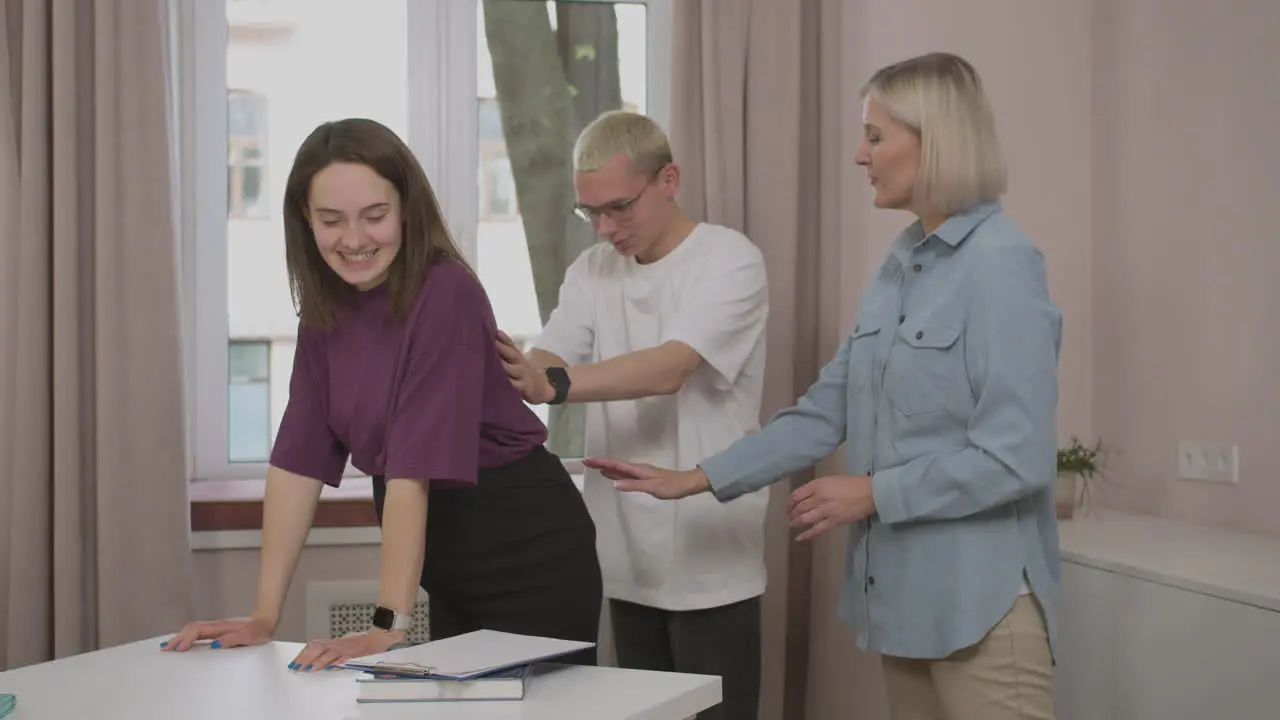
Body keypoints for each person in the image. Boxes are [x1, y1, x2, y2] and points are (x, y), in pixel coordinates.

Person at [587, 53, 1062, 720]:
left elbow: (1018, 455)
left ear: (936, 141)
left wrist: (872, 492)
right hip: (906, 608)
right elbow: (825, 410)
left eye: (875, 136)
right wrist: (695, 476)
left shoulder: (1001, 264)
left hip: (984, 609)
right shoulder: (901, 265)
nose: (859, 156)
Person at [162, 118, 602, 670]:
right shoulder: (325, 307)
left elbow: (410, 471)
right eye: (331, 220)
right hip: (445, 556)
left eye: (374, 217)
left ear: (406, 210)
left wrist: (386, 626)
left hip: (524, 545)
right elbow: (297, 462)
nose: (353, 240)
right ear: (305, 219)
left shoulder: (446, 293)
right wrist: (263, 616)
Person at [494, 110, 769, 720]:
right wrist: (508, 365)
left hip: (710, 552)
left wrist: (551, 383)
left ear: (668, 178)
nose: (606, 228)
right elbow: (548, 356)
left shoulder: (729, 260)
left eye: (620, 207)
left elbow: (670, 368)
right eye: (590, 212)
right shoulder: (592, 271)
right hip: (623, 557)